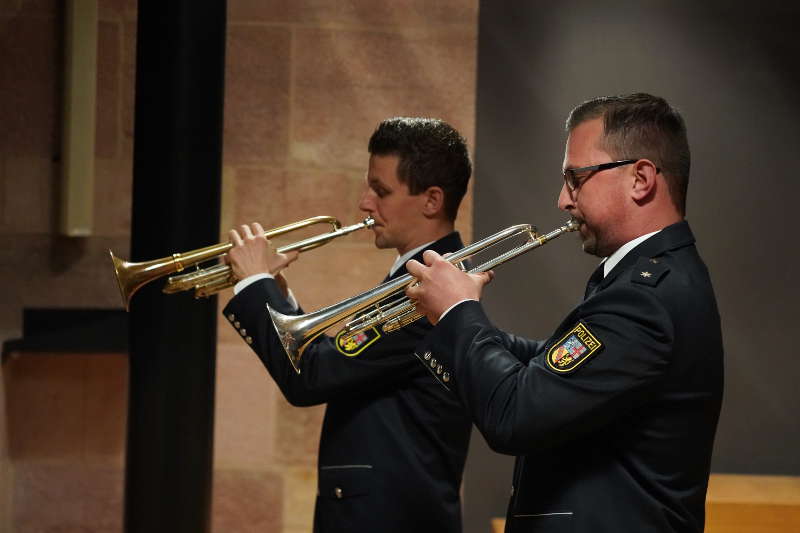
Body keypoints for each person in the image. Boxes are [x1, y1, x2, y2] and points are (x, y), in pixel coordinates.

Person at [405, 94, 723, 532]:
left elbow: (515, 417)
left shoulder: (646, 297)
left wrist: (461, 313)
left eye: (576, 178)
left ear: (641, 178)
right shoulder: (646, 280)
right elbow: (556, 367)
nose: (562, 199)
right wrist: (449, 323)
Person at [222, 117, 473, 533]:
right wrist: (279, 297)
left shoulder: (427, 291)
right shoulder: (415, 280)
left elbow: (312, 375)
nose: (364, 203)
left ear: (431, 200)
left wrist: (253, 284)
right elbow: (341, 360)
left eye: (381, 190)